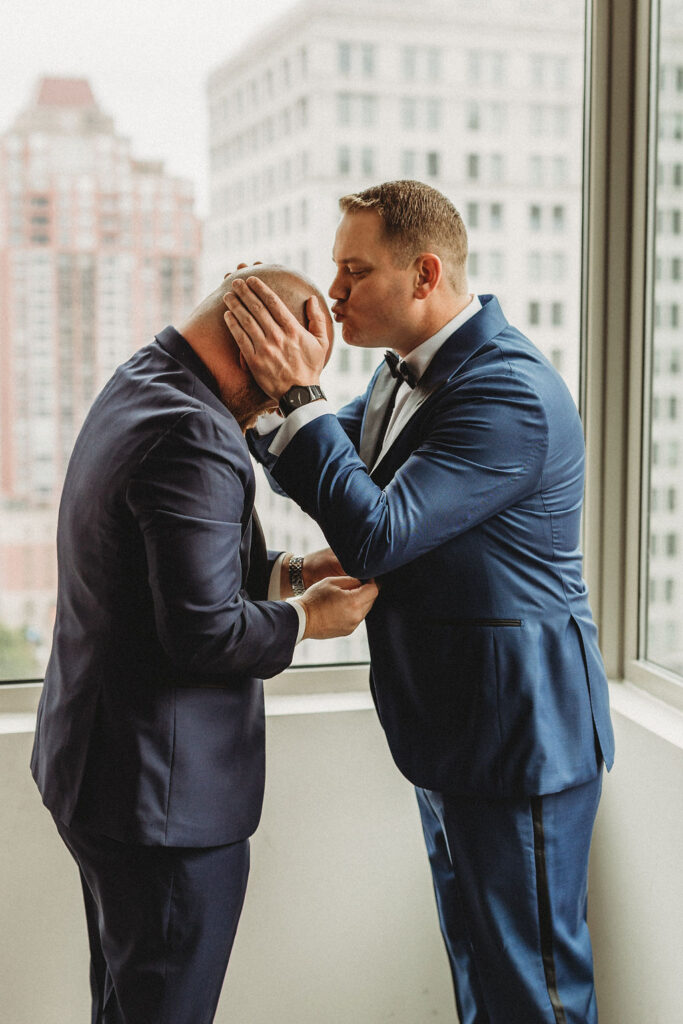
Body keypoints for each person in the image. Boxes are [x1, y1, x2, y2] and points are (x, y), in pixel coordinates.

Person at [223, 180, 615, 1024]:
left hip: (520, 743)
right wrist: (264, 389)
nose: (332, 295)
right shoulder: (404, 379)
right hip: (449, 734)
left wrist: (297, 396)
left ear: (424, 274)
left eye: (352, 272)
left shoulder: (508, 391)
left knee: (533, 992)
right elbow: (324, 468)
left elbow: (375, 530)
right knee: (477, 967)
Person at [30, 264, 378, 1024]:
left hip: (99, 775)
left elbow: (157, 567)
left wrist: (285, 573)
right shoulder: (194, 429)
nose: (278, 402)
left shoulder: (139, 381)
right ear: (264, 345)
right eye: (289, 381)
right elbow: (202, 632)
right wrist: (309, 619)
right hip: (163, 807)